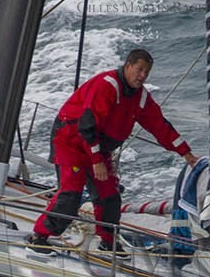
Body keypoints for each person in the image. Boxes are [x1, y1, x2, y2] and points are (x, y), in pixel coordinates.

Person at [27, 48, 198, 258]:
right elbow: (87, 125)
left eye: (147, 72)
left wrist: (186, 153)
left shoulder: (141, 97)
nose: (142, 76)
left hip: (98, 147)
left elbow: (160, 126)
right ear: (127, 66)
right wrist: (97, 161)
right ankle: (39, 237)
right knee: (71, 193)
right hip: (71, 141)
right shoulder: (107, 86)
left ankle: (108, 243)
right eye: (139, 69)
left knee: (109, 195)